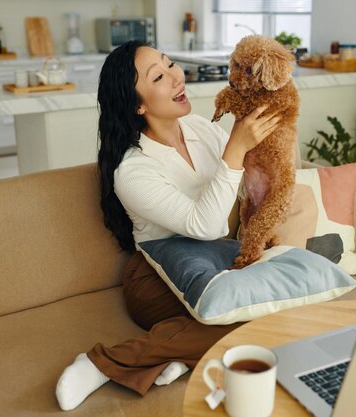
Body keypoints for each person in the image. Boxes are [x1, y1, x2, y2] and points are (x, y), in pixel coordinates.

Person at [55, 40, 281, 411]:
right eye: (159, 76)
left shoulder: (199, 129)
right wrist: (236, 149)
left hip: (215, 263)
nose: (177, 76)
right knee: (252, 323)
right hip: (157, 279)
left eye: (170, 64)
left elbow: (245, 183)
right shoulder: (132, 170)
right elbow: (206, 224)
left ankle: (177, 355)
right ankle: (101, 364)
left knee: (274, 308)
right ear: (139, 105)